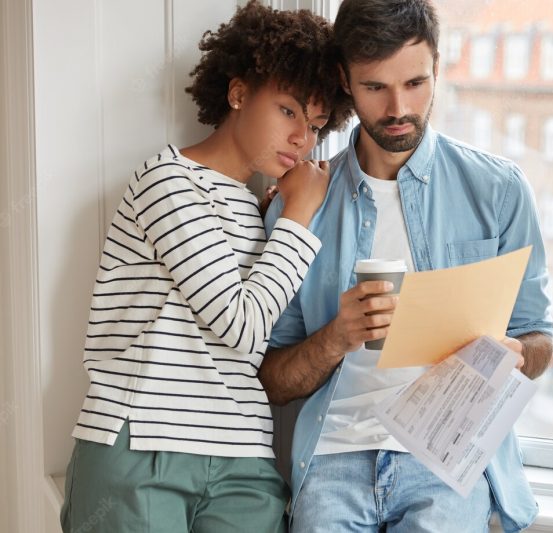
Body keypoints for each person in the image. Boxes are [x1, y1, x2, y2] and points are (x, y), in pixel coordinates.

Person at [258, 0, 553, 531]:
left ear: (437, 66)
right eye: (375, 87)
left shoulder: (499, 191)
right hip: (334, 455)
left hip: (447, 457)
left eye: (415, 83)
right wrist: (334, 338)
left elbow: (540, 342)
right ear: (345, 81)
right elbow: (272, 381)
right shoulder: (300, 203)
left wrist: (514, 354)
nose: (399, 108)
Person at [60, 2, 350, 532]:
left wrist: (282, 219)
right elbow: (240, 327)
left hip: (244, 458)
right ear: (238, 92)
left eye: (315, 125)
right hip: (143, 446)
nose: (301, 139)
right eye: (288, 111)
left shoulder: (258, 208)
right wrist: (301, 216)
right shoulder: (167, 180)